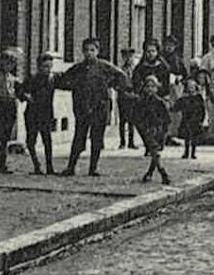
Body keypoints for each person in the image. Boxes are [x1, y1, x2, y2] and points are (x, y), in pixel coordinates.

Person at [56, 37, 128, 177]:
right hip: (82, 108)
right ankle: (71, 167)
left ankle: (93, 168)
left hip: (99, 108)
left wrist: (113, 86)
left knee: (97, 138)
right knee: (79, 138)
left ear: (97, 51)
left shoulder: (105, 67)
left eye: (92, 50)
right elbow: (64, 81)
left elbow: (122, 77)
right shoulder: (78, 69)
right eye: (86, 50)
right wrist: (72, 86)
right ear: (83, 52)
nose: (89, 53)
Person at [19, 53, 58, 175]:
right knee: (31, 141)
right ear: (38, 66)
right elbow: (20, 91)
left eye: (50, 67)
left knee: (47, 141)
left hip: (46, 114)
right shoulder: (32, 79)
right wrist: (26, 96)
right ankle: (36, 165)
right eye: (45, 66)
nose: (48, 70)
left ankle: (49, 167)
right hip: (32, 114)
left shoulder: (52, 80)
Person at [0, 50, 23, 174]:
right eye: (6, 62)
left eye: (11, 63)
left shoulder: (13, 79)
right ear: (1, 62)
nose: (8, 65)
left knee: (6, 138)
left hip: (10, 107)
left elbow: (19, 92)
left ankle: (2, 165)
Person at [130, 75, 172, 184]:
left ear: (157, 88)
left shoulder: (159, 102)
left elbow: (167, 118)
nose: (150, 89)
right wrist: (142, 128)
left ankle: (149, 172)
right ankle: (163, 172)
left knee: (155, 152)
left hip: (159, 130)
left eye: (153, 86)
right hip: (147, 130)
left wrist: (164, 132)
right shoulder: (140, 102)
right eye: (148, 86)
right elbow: (135, 117)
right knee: (154, 151)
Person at [175, 77, 207, 160]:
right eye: (189, 87)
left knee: (194, 138)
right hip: (186, 119)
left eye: (192, 87)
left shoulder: (198, 98)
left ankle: (193, 153)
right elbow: (177, 106)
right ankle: (186, 152)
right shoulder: (184, 98)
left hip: (195, 120)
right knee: (187, 137)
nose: (191, 89)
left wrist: (201, 120)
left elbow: (202, 109)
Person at [116, 46, 138, 148]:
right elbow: (116, 83)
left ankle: (131, 142)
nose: (128, 59)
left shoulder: (136, 70)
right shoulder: (120, 70)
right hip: (123, 97)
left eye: (130, 56)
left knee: (132, 120)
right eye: (126, 57)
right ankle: (122, 142)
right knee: (122, 120)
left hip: (133, 96)